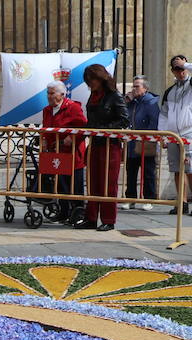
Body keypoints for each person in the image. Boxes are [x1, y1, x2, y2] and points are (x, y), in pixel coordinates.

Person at [75, 63, 128, 231]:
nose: (90, 84)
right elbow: (90, 120)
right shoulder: (93, 96)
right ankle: (90, 218)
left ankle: (108, 219)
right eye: (88, 81)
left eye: (92, 80)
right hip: (95, 144)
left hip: (110, 145)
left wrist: (104, 129)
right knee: (93, 182)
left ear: (100, 78)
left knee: (108, 184)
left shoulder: (114, 96)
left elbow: (124, 120)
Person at [159, 55, 192, 217]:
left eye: (182, 68)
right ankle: (182, 203)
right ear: (172, 71)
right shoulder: (170, 91)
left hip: (189, 132)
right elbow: (164, 115)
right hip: (173, 134)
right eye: (177, 68)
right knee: (177, 170)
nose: (180, 71)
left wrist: (186, 64)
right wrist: (163, 135)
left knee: (190, 169)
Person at [40, 79, 85, 224]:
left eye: (52, 93)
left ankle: (78, 213)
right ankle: (63, 212)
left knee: (74, 184)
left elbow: (82, 127)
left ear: (62, 94)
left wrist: (72, 138)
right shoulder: (47, 110)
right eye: (48, 93)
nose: (49, 96)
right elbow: (46, 129)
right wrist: (44, 139)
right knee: (60, 183)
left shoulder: (73, 108)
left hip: (71, 153)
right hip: (55, 153)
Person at [123, 75, 158, 212]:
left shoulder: (150, 102)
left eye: (137, 86)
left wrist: (145, 136)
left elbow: (154, 122)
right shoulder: (132, 102)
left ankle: (149, 198)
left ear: (145, 88)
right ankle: (130, 198)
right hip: (132, 142)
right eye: (133, 86)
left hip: (146, 141)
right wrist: (126, 101)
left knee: (148, 171)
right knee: (131, 171)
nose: (134, 89)